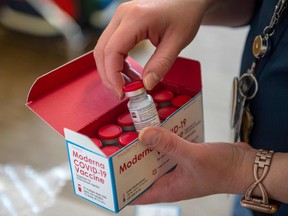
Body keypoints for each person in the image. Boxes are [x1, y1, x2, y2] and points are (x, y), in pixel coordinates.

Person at [93, 0, 288, 215]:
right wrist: (194, 4)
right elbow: (265, 9)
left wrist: (238, 170)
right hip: (251, 184)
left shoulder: (239, 172)